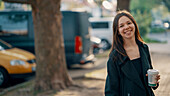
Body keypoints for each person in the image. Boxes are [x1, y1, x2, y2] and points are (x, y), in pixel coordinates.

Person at [105, 10, 160, 96]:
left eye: (129, 23)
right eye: (121, 26)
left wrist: (155, 81)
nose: (126, 27)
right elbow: (111, 91)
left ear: (134, 24)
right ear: (118, 32)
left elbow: (149, 76)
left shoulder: (144, 48)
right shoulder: (115, 57)